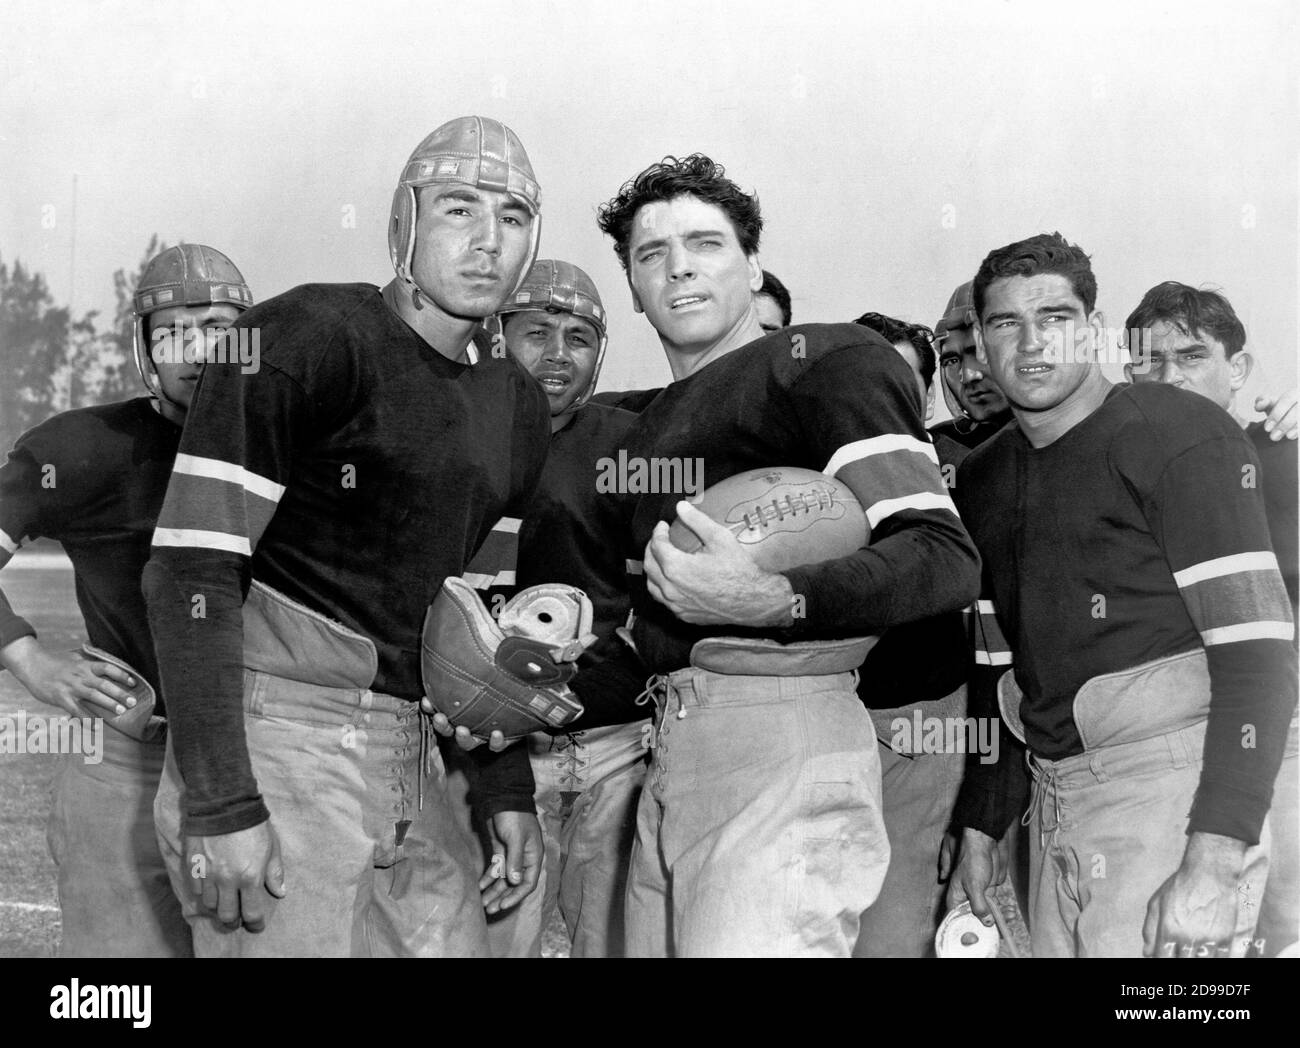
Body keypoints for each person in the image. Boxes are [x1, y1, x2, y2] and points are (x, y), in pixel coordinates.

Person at [142, 116, 550, 957]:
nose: (488, 242)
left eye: (512, 217)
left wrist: (505, 785)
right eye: (458, 209)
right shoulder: (305, 336)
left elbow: (484, 617)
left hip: (415, 750)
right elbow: (191, 571)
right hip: (279, 731)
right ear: (402, 221)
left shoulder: (516, 402)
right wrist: (220, 800)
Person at [595, 154, 981, 957]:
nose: (680, 267)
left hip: (779, 735)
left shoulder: (822, 362)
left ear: (753, 262)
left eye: (706, 243)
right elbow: (656, 629)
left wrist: (775, 597)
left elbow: (943, 557)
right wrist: (533, 689)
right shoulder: (648, 429)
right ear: (632, 286)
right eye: (651, 253)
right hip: (672, 743)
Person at [946, 233, 1296, 958]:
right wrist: (981, 829)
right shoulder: (982, 476)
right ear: (980, 340)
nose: (1034, 342)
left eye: (1058, 316)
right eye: (1007, 323)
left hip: (1172, 794)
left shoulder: (1180, 432)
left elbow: (1258, 661)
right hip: (1052, 803)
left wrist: (1214, 859)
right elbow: (998, 670)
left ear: (1097, 331)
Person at [0, 243, 252, 956]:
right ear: (144, 345)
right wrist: (32, 662)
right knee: (119, 993)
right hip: (127, 758)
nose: (200, 349)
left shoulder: (289, 451)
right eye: (176, 329)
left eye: (222, 327)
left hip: (256, 754)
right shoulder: (86, 446)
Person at [444, 259, 651, 958]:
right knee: (490, 942)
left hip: (616, 746)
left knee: (621, 944)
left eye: (579, 337)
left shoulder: (631, 446)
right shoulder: (451, 433)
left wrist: (576, 696)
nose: (558, 355)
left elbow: (661, 612)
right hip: (490, 751)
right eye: (538, 332)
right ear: (496, 336)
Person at [1124, 280, 1298, 956]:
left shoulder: (1284, 453)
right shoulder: (1119, 464)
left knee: (1283, 935)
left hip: (1283, 741)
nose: (1170, 377)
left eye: (1192, 356)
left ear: (1239, 370)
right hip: (1166, 743)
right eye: (1150, 360)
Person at [928, 281, 1012, 456]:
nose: (967, 376)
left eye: (981, 353)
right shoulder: (936, 450)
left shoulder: (1075, 438)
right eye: (951, 361)